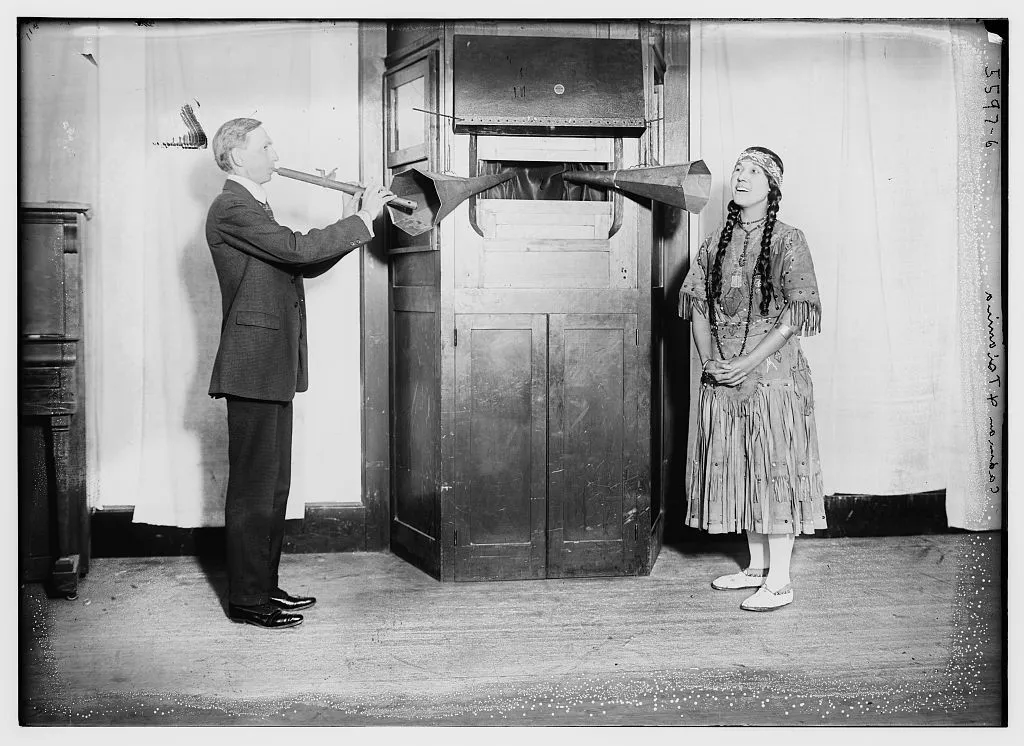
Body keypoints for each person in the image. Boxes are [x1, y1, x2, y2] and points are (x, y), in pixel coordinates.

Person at [206, 117, 393, 629]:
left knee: (272, 487)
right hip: (252, 366)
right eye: (266, 145)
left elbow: (303, 263)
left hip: (271, 365)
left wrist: (356, 218)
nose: (275, 151)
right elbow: (296, 249)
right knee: (253, 489)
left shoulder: (253, 207)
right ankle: (247, 600)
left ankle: (263, 587)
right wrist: (362, 217)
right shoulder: (232, 207)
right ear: (238, 156)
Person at [678, 146, 827, 611]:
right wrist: (711, 362)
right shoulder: (712, 245)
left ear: (772, 186)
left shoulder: (789, 239)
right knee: (744, 466)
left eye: (753, 171)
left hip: (773, 382)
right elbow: (698, 306)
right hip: (726, 379)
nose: (741, 177)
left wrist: (747, 363)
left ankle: (780, 581)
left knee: (773, 470)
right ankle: (758, 567)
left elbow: (791, 316)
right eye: (738, 170)